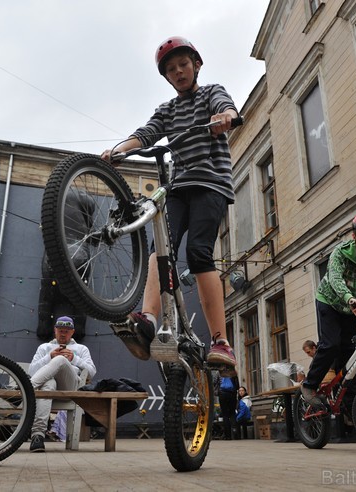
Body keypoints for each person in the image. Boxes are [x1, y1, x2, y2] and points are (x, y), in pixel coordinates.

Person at [101, 36, 240, 375]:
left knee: (198, 252)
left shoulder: (210, 93)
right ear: (166, 77)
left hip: (211, 183)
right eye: (171, 69)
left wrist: (227, 116)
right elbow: (147, 132)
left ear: (196, 65)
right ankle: (148, 319)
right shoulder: (168, 109)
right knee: (161, 246)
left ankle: (220, 341)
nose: (178, 72)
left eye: (183, 65)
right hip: (178, 187)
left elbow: (226, 106)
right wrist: (120, 149)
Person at [300, 212, 356, 408]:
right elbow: (335, 279)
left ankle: (350, 408)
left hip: (350, 310)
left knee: (350, 356)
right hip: (329, 302)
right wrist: (351, 299)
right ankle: (309, 385)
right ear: (354, 237)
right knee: (330, 344)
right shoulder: (340, 252)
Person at [28, 316, 96, 453]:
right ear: (55, 330)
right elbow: (31, 370)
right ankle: (38, 436)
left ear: (72, 332)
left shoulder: (81, 348)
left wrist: (74, 358)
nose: (63, 333)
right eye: (60, 330)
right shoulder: (44, 347)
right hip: (47, 387)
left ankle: (26, 389)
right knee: (48, 384)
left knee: (60, 359)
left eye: (66, 331)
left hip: (70, 388)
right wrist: (49, 357)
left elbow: (92, 372)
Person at [217, 375, 238, 440]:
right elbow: (237, 384)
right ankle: (235, 435)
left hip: (222, 394)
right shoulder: (232, 372)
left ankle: (228, 436)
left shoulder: (219, 372)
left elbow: (215, 382)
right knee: (232, 413)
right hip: (232, 394)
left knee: (225, 415)